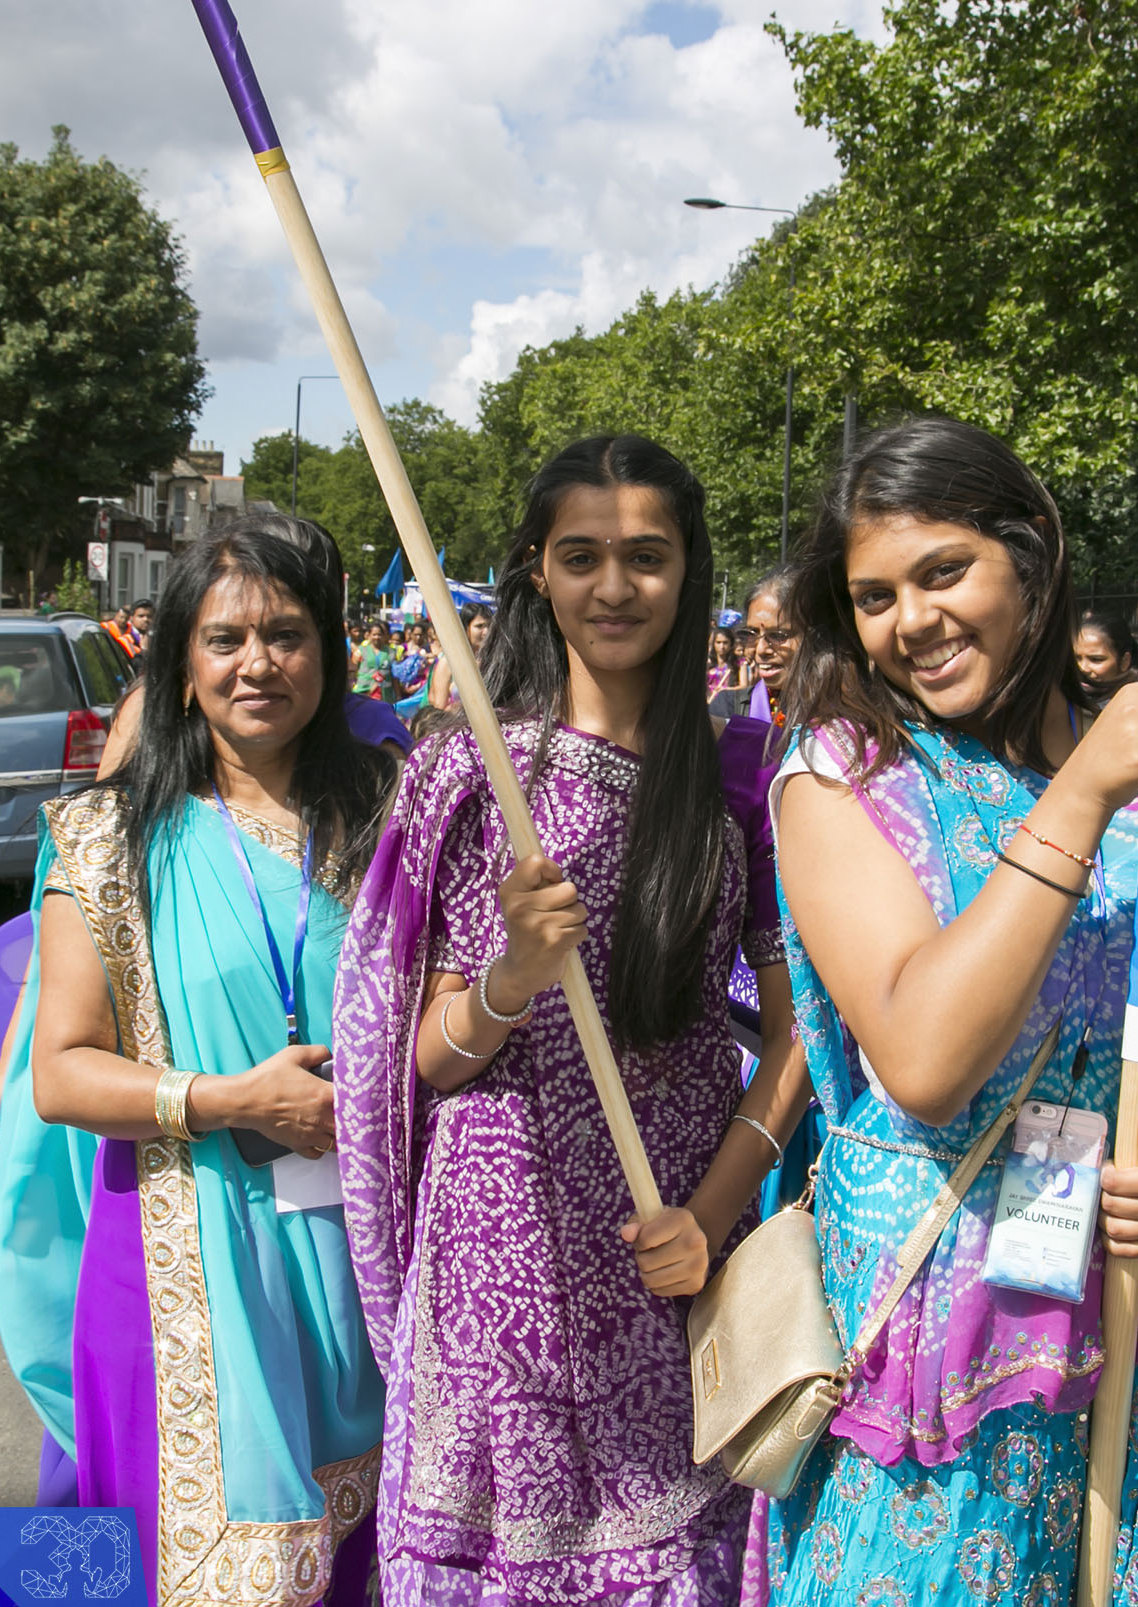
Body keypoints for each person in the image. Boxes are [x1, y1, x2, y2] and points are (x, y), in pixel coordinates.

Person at [766, 417, 1138, 1603]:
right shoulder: (846, 776)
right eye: (872, 594)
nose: (911, 620)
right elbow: (923, 1055)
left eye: (942, 570)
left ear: (1033, 557)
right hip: (950, 1369)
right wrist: (1081, 789)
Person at [333, 435, 812, 1605]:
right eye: (581, 555)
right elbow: (422, 1063)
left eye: (645, 556)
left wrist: (704, 1218)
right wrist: (509, 973)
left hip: (670, 1258)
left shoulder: (750, 772)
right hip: (497, 1269)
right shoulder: (466, 773)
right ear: (536, 572)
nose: (613, 586)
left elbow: (799, 1035)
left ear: (688, 568)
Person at [0, 514, 399, 1606]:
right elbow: (63, 1071)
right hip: (181, 1272)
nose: (256, 663)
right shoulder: (105, 836)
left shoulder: (395, 813)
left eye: (286, 633)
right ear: (178, 661)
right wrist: (227, 1097)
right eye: (224, 639)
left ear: (331, 651)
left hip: (377, 1266)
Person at [736, 571, 798, 726]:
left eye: (777, 636)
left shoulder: (843, 717)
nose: (760, 650)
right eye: (752, 633)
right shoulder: (730, 707)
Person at [427, 602, 492, 709]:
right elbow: (439, 709)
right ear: (465, 628)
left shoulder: (493, 660)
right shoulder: (449, 663)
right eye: (479, 626)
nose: (486, 632)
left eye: (489, 626)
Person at [1074, 608, 1138, 706]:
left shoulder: (1137, 709)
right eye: (1077, 658)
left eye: (1096, 660)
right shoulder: (1063, 704)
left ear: (1124, 662)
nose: (1082, 668)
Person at [353, 618, 394, 700]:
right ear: (369, 635)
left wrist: (398, 695)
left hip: (384, 694)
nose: (377, 637)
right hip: (364, 691)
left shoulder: (390, 652)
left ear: (384, 636)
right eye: (374, 634)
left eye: (379, 634)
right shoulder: (360, 650)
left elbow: (394, 675)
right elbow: (353, 669)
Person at [707, 625, 742, 701]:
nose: (722, 646)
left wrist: (726, 689)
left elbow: (744, 686)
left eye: (725, 643)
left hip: (727, 704)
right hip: (708, 702)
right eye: (718, 642)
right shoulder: (708, 663)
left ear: (731, 644)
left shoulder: (739, 663)